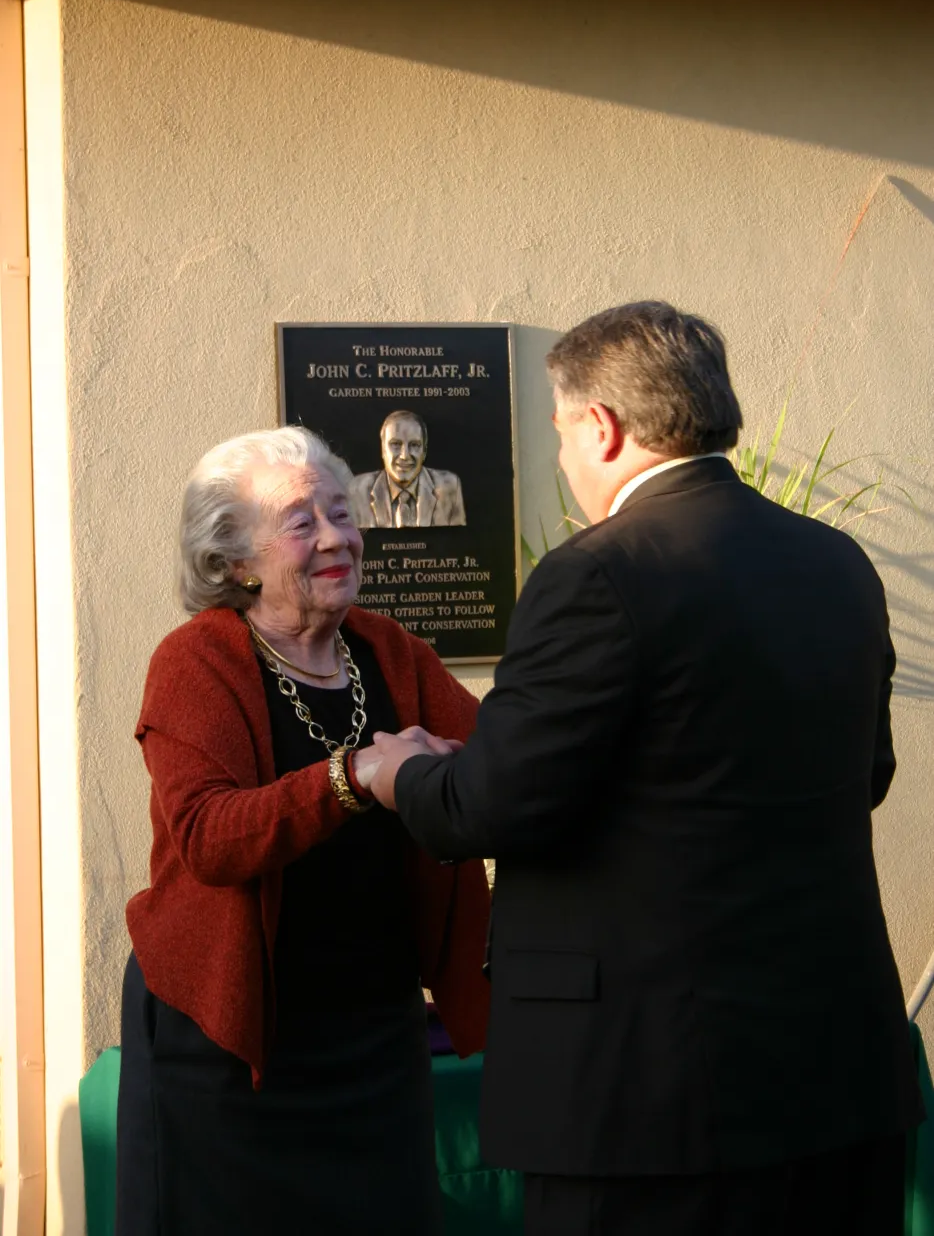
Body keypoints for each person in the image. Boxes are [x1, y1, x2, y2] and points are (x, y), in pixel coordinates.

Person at [356, 302, 922, 1236]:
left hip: (649, 1104)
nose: (563, 461)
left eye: (560, 434)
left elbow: (491, 806)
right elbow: (864, 774)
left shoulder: (597, 573)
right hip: (832, 1077)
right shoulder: (836, 564)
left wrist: (395, 772)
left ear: (603, 427)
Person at [116, 425, 489, 1236]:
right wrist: (353, 778)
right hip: (231, 1043)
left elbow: (500, 760)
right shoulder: (195, 663)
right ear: (234, 560)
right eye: (301, 520)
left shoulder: (391, 652)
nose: (337, 536)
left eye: (342, 512)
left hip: (375, 1040)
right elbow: (210, 837)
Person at [349, 409, 467, 527]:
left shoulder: (449, 488)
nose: (404, 456)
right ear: (383, 450)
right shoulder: (357, 491)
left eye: (414, 445)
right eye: (395, 444)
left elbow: (456, 538)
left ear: (424, 452)